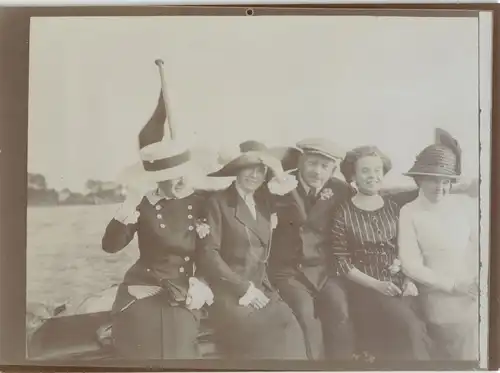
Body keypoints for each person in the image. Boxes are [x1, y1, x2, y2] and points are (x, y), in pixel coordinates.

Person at [101, 90, 214, 359]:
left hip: (186, 289)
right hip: (144, 287)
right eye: (170, 176)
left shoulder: (203, 202)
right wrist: (128, 203)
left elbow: (217, 248)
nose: (178, 181)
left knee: (176, 348)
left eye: (181, 175)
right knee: (137, 344)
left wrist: (204, 282)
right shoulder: (143, 204)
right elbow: (110, 246)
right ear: (156, 179)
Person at [197, 140, 308, 359]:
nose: (254, 175)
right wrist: (244, 289)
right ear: (237, 170)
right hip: (231, 291)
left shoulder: (264, 200)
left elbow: (301, 217)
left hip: (263, 287)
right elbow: (209, 253)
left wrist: (279, 174)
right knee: (260, 333)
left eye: (261, 170)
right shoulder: (218, 202)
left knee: (291, 326)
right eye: (249, 168)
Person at [331, 145, 431, 361]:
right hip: (364, 286)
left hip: (397, 283)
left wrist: (407, 278)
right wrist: (377, 285)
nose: (372, 176)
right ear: (353, 176)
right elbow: (342, 263)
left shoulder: (394, 208)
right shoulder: (343, 212)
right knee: (408, 328)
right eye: (365, 171)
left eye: (377, 170)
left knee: (421, 323)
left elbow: (405, 249)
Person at [267, 138, 356, 360]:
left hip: (324, 270)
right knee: (306, 317)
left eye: (325, 166)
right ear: (301, 162)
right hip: (289, 270)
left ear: (333, 170)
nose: (317, 172)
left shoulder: (341, 190)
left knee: (340, 312)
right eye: (312, 163)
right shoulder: (280, 185)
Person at [398, 129, 479, 361]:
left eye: (446, 181)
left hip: (473, 288)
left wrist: (476, 281)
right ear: (419, 179)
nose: (440, 187)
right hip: (438, 293)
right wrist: (453, 285)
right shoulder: (409, 212)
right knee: (465, 329)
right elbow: (411, 265)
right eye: (432, 179)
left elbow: (480, 247)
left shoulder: (465, 205)